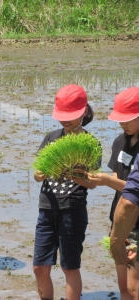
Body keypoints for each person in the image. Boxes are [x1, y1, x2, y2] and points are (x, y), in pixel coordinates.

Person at [32, 84, 98, 300]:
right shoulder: (51, 138)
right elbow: (36, 173)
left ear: (84, 112)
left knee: (69, 267)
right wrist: (40, 174)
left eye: (72, 115)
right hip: (47, 208)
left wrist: (74, 174)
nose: (66, 120)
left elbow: (92, 183)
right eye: (62, 116)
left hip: (73, 210)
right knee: (39, 267)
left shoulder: (90, 144)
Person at [99, 87, 139, 299]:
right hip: (119, 217)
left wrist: (106, 181)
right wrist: (105, 181)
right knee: (123, 285)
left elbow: (134, 190)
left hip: (136, 218)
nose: (123, 124)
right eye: (120, 120)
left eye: (129, 119)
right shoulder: (119, 142)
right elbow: (119, 181)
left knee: (135, 284)